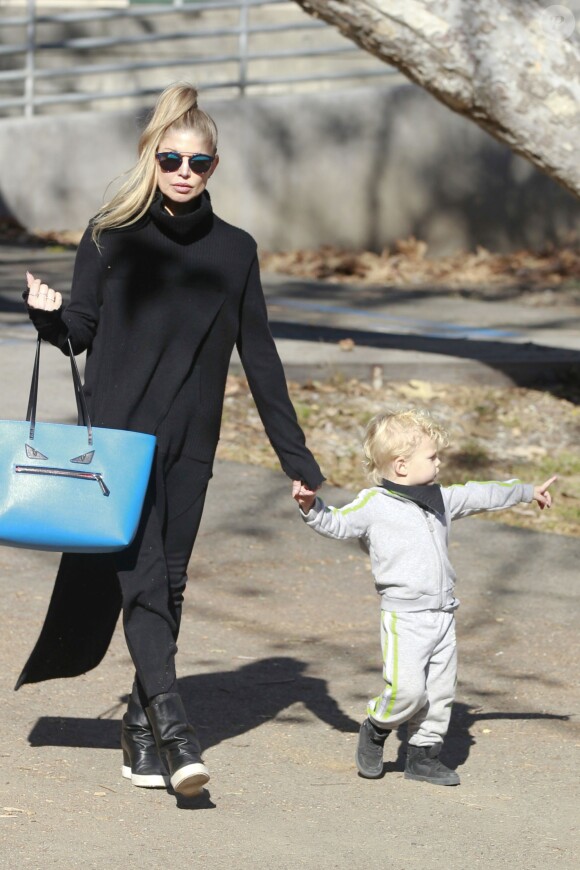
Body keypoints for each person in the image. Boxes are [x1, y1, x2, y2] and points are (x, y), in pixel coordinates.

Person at [19, 82, 324, 798]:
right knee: (146, 579)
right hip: (117, 443)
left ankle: (138, 721)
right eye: (172, 158)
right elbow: (81, 332)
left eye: (200, 161)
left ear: (215, 166)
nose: (185, 171)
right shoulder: (109, 235)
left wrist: (298, 461)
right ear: (151, 159)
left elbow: (262, 358)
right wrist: (48, 315)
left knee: (172, 581)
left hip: (192, 442)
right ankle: (175, 726)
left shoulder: (235, 251)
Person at [292, 408, 556, 786]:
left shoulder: (441, 499)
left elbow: (481, 493)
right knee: (407, 691)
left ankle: (422, 757)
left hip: (443, 615)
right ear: (401, 465)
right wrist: (309, 506)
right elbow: (336, 521)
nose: (440, 463)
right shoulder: (374, 504)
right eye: (432, 457)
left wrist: (525, 492)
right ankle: (376, 726)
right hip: (405, 619)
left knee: (439, 693)